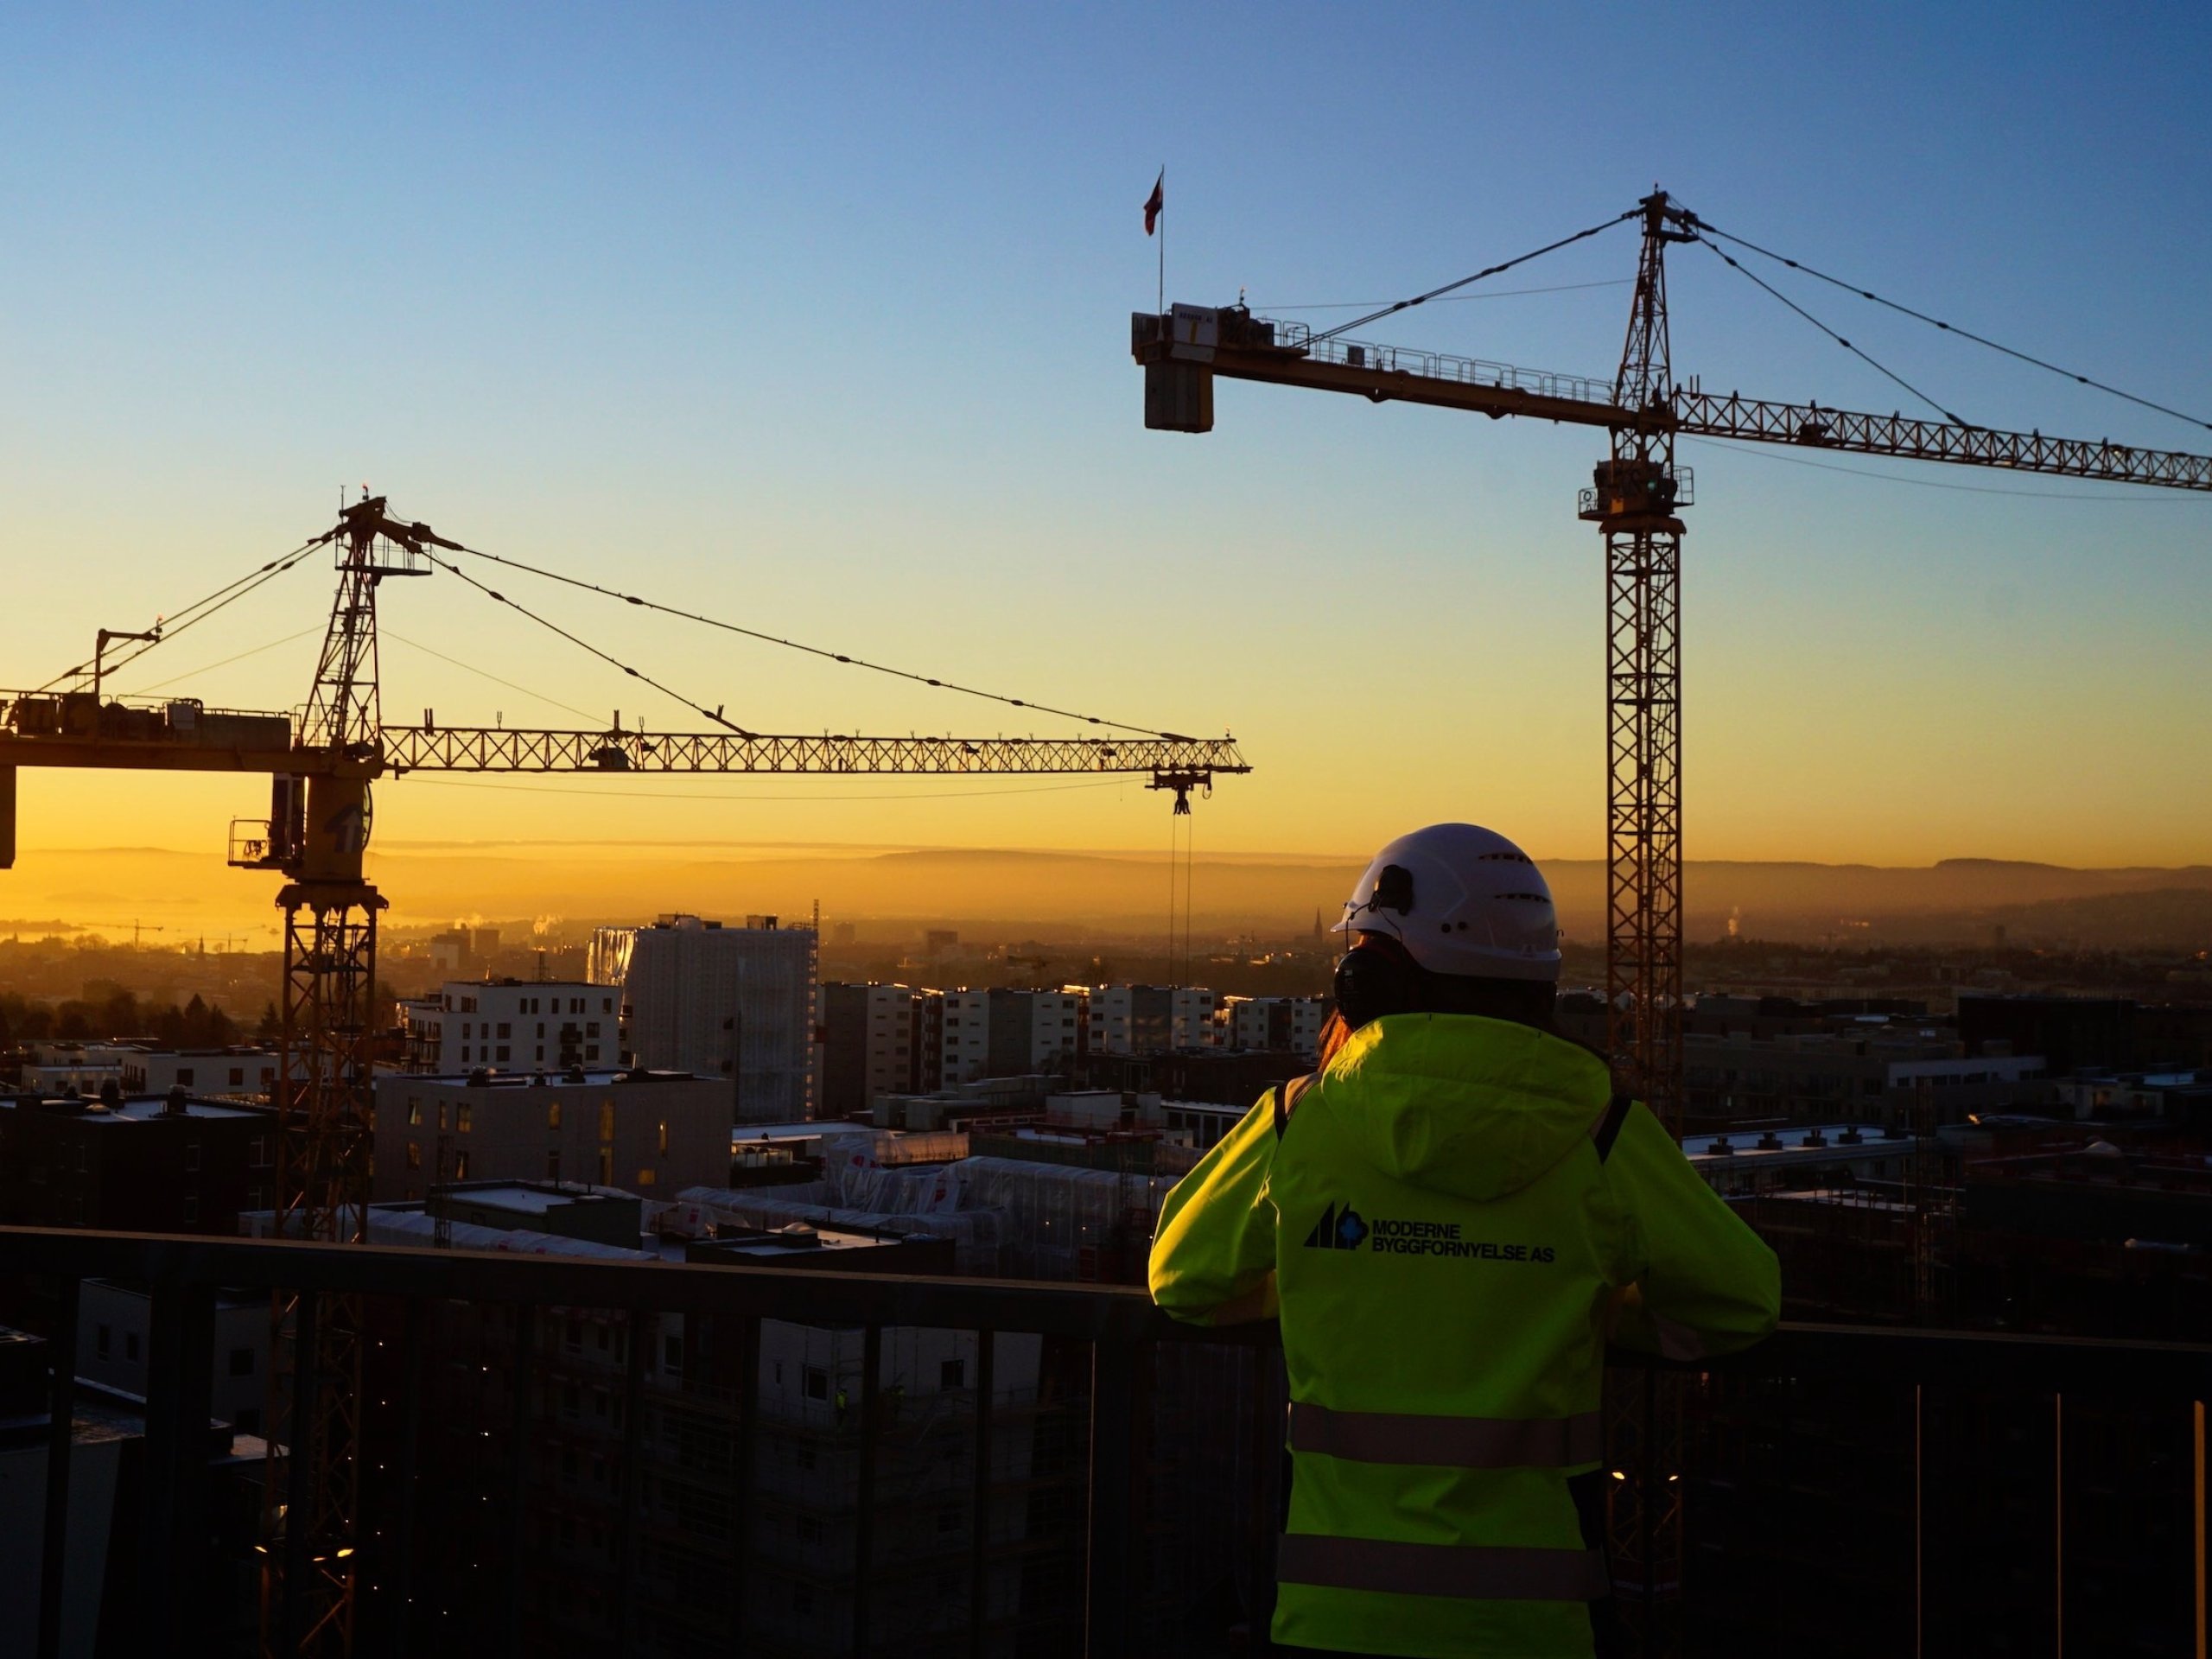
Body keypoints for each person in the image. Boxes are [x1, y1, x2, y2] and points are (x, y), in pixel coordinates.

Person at [1149, 823, 1779, 1659]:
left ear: (1368, 979)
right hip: (1534, 1625)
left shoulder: (1304, 1120)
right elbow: (1741, 1305)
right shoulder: (1599, 1132)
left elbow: (1182, 1281)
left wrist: (1318, 1281)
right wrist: (1593, 1302)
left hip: (1334, 1619)